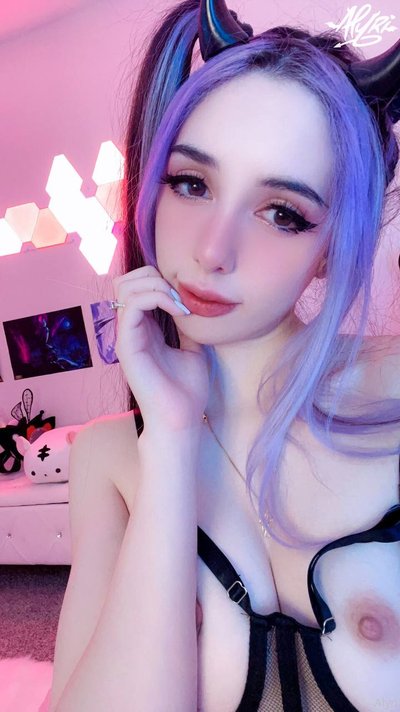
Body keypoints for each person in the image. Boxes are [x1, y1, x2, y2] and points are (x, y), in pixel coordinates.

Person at [48, 0, 400, 710]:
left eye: (283, 213)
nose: (213, 250)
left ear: (331, 247)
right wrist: (171, 440)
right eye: (192, 184)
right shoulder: (109, 457)